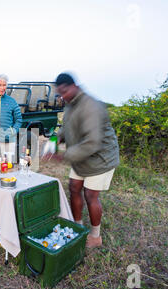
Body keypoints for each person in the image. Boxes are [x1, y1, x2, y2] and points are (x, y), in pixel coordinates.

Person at [46, 73, 120, 248]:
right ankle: (76, 227)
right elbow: (66, 127)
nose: (62, 96)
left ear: (75, 86)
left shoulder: (91, 106)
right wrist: (54, 140)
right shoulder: (70, 104)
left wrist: (64, 156)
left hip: (101, 158)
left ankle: (95, 237)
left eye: (64, 91)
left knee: (90, 195)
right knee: (74, 188)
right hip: (81, 157)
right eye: (60, 93)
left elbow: (92, 142)